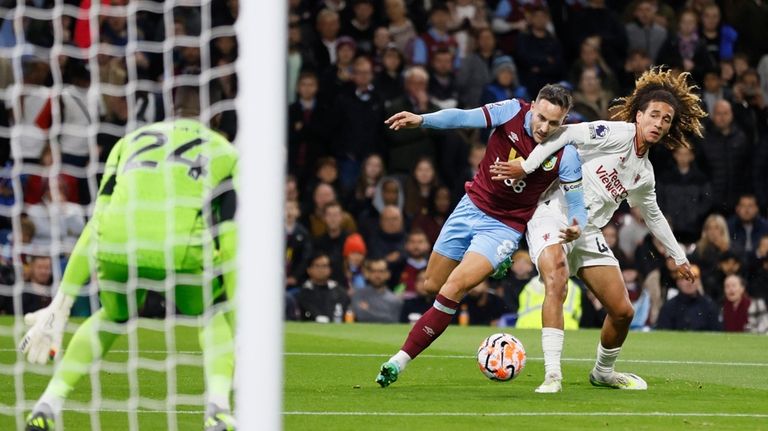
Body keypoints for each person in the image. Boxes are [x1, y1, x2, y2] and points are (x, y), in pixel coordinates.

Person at [19, 84, 239, 430]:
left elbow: (97, 223)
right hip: (180, 250)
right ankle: (217, 410)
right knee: (215, 311)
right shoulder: (225, 152)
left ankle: (47, 404)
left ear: (171, 105)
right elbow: (228, 236)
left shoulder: (128, 142)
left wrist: (61, 301)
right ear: (219, 113)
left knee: (111, 315)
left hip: (116, 245)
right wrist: (238, 307)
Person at [493, 67, 706, 393]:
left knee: (622, 312)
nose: (659, 123)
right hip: (554, 214)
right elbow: (565, 133)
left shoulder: (644, 174)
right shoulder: (615, 133)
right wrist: (527, 165)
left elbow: (654, 216)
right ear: (638, 116)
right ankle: (553, 374)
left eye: (666, 119)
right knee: (556, 279)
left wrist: (678, 257)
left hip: (588, 233)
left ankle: (603, 373)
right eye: (654, 115)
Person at [374, 84, 587, 388]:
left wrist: (577, 224)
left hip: (503, 225)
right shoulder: (512, 111)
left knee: (453, 287)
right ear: (534, 106)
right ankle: (496, 266)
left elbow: (577, 203)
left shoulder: (565, 152)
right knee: (432, 285)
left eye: (554, 123)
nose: (544, 128)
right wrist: (422, 119)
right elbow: (462, 118)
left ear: (564, 120)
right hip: (469, 208)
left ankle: (399, 360)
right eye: (541, 118)